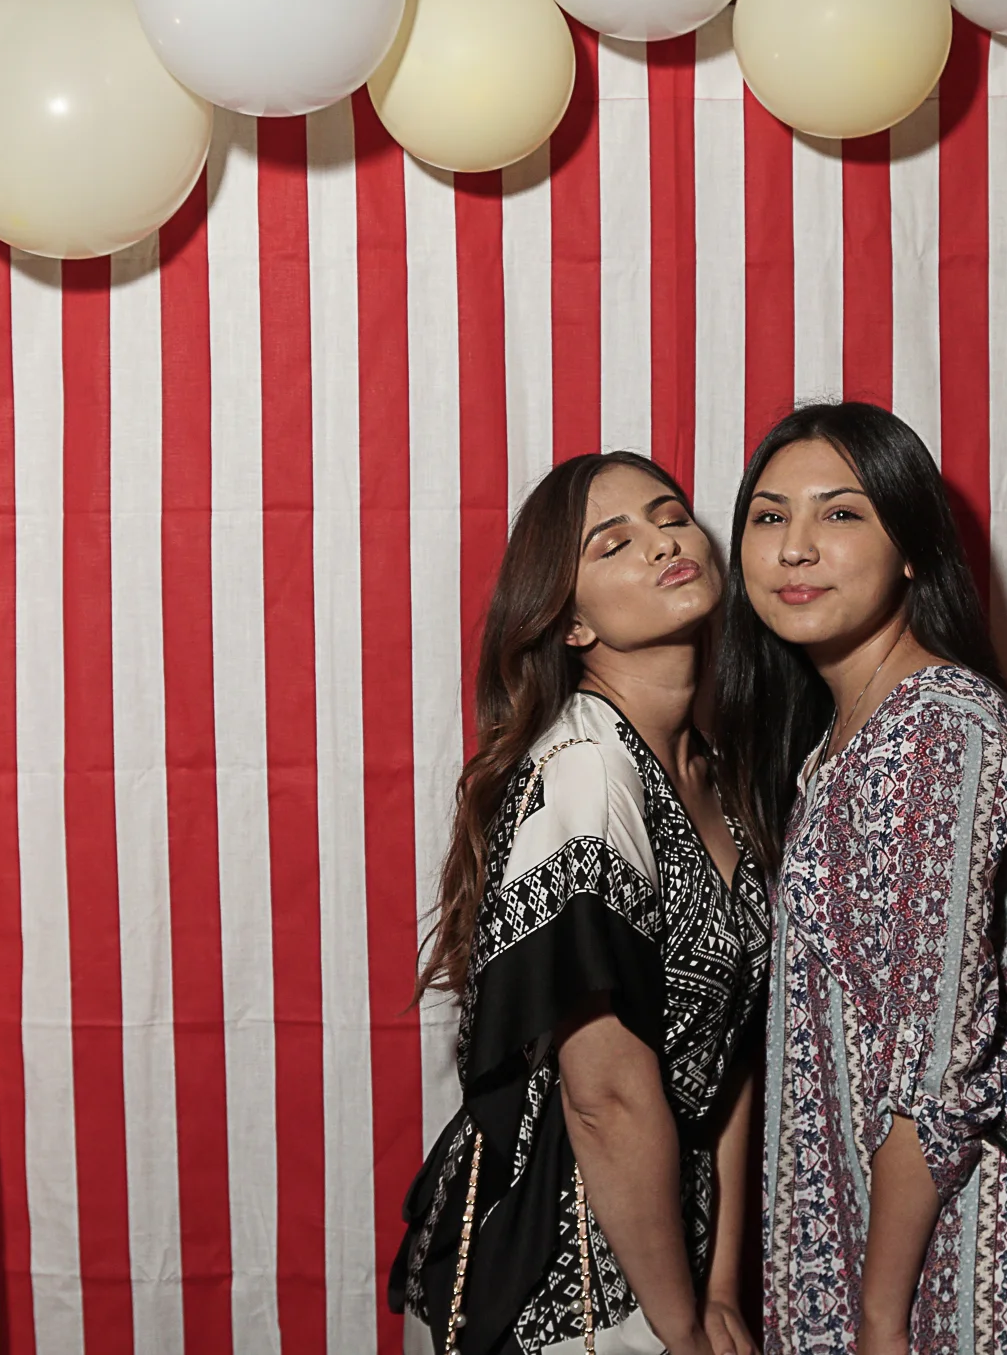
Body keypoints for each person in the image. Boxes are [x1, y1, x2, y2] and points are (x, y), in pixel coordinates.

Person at [715, 402, 1007, 1355]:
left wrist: (880, 1319)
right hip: (917, 1233)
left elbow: (934, 1071)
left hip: (984, 1247)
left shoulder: (938, 728)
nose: (796, 546)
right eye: (769, 515)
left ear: (912, 550)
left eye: (841, 513)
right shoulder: (843, 739)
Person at [391, 451, 769, 1355]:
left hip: (669, 1263)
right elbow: (604, 1096)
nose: (663, 542)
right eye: (614, 543)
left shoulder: (717, 771)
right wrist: (682, 1326)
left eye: (669, 515)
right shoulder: (589, 769)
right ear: (570, 623)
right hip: (557, 1289)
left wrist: (720, 1288)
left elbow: (732, 1049)